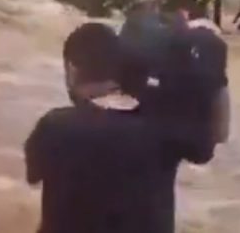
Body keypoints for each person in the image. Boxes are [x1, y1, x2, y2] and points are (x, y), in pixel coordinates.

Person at [24, 23, 215, 233]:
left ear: (72, 68)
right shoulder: (163, 131)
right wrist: (216, 78)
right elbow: (216, 135)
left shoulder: (54, 127)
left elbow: (33, 176)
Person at [119, 0, 230, 144]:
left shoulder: (132, 32)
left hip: (141, 122)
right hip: (192, 132)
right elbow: (218, 89)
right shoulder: (205, 40)